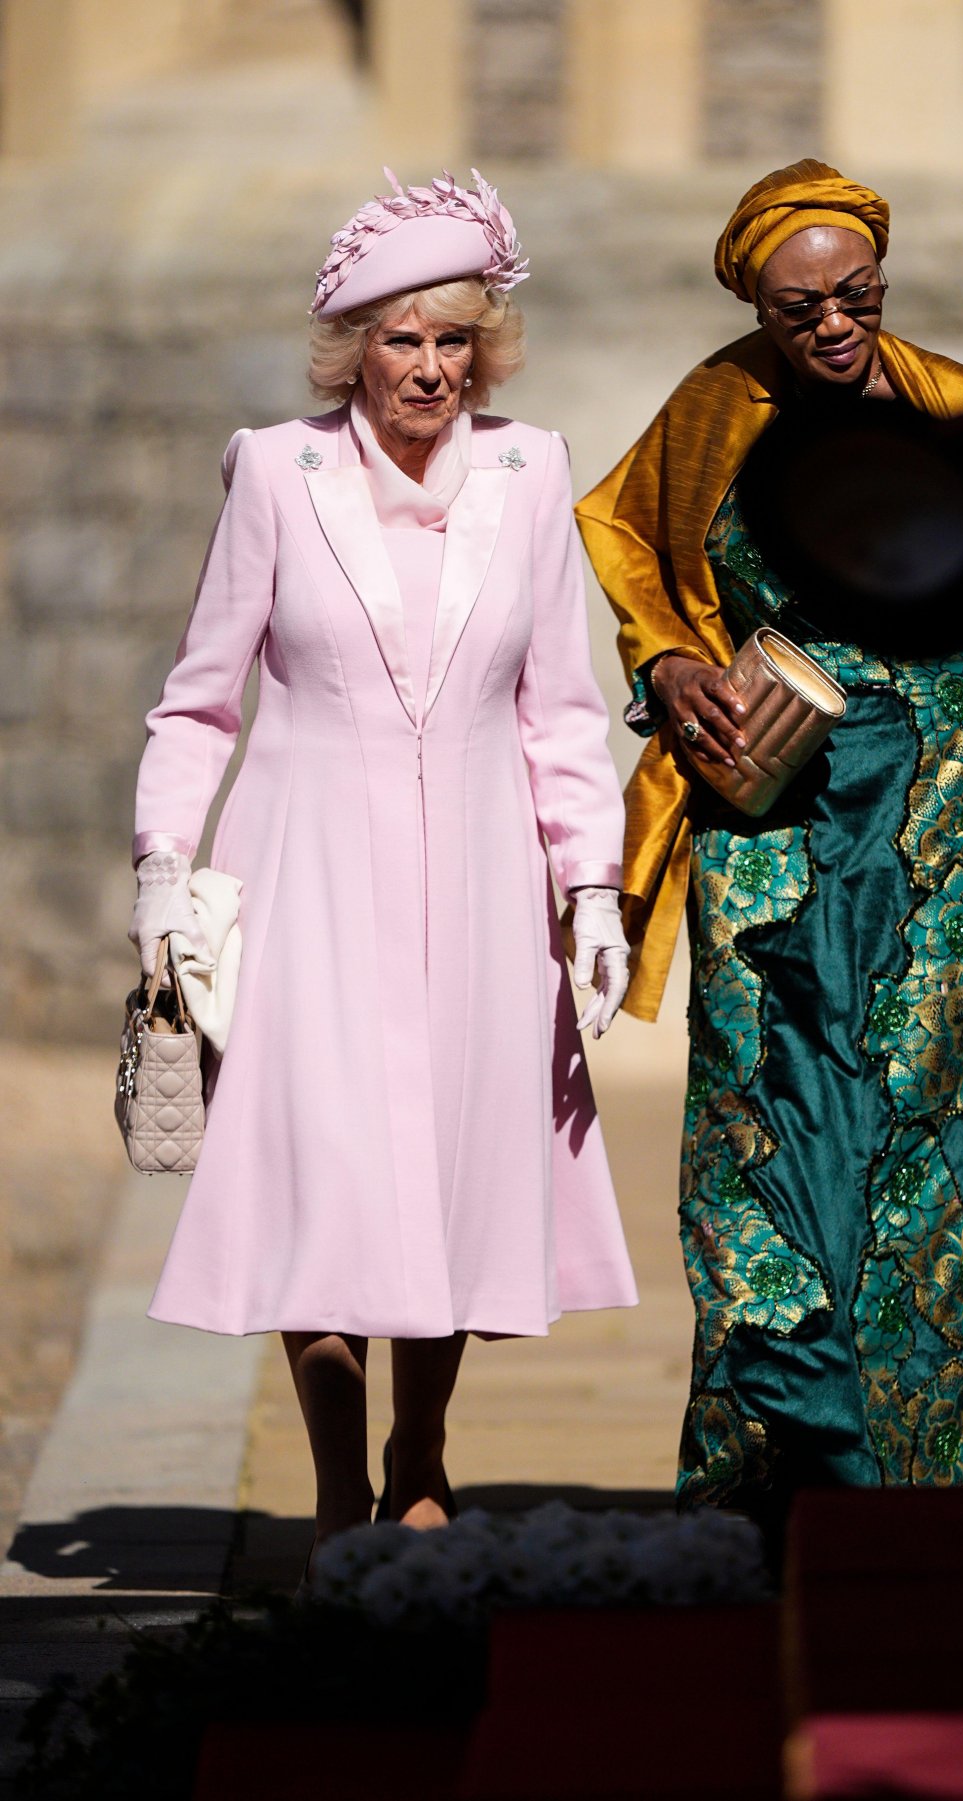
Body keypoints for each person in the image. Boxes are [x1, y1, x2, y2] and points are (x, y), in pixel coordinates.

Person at [128, 169, 638, 1557]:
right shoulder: (274, 471)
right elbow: (199, 700)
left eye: (454, 339)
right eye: (402, 338)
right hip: (308, 875)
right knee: (327, 1169)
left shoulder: (532, 472)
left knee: (453, 1167)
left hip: (481, 881)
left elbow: (562, 706)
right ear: (353, 347)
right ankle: (337, 1483)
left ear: (487, 348)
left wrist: (592, 888)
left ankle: (422, 1444)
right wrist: (163, 872)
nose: (429, 367)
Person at [576, 160, 963, 1513]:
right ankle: (784, 1483)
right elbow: (637, 557)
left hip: (954, 832)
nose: (835, 325)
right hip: (773, 823)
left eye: (857, 295)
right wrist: (668, 667)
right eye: (800, 307)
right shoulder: (709, 415)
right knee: (769, 1133)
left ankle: (959, 1498)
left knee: (947, 1145)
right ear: (756, 304)